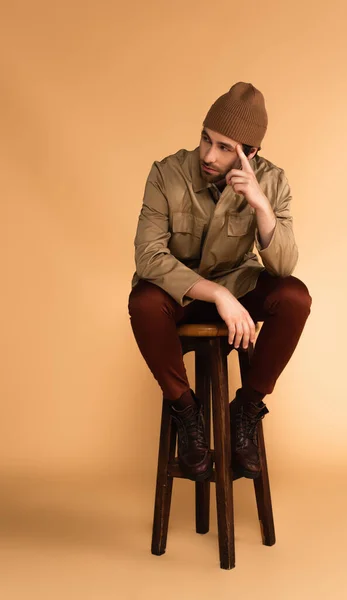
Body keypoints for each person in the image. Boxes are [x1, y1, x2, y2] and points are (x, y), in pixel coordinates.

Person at [128, 82, 312, 483]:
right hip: (180, 292)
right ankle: (186, 413)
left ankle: (245, 410)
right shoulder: (166, 174)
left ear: (250, 154)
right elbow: (148, 256)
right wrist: (218, 295)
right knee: (142, 301)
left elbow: (283, 267)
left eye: (225, 147)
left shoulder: (272, 181)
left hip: (240, 283)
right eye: (206, 139)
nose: (209, 155)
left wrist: (262, 206)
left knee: (294, 297)